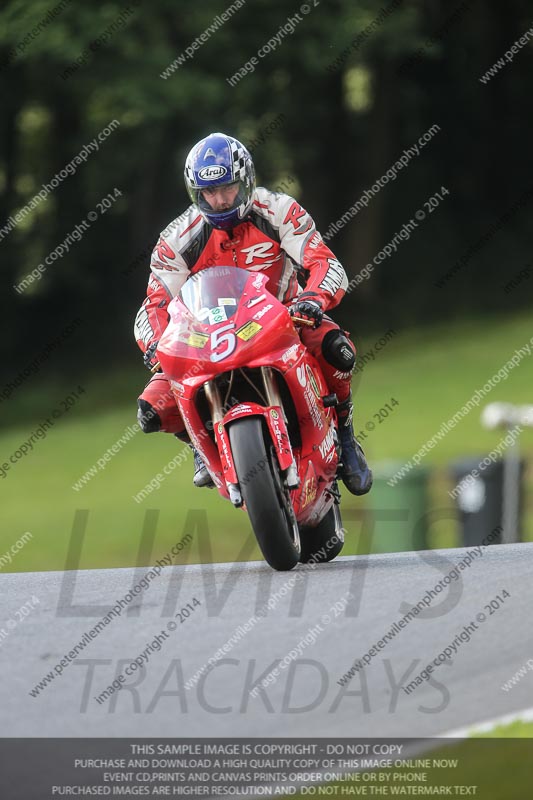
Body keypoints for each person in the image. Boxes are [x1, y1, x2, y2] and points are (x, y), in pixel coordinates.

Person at [134, 132, 372, 496]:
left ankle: (345, 434)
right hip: (207, 337)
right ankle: (201, 447)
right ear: (194, 193)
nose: (219, 200)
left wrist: (312, 298)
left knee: (336, 348)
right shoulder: (176, 240)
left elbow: (324, 261)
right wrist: (155, 343)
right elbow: (153, 304)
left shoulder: (279, 211)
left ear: (245, 181)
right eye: (208, 193)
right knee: (152, 407)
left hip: (285, 320)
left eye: (227, 188)